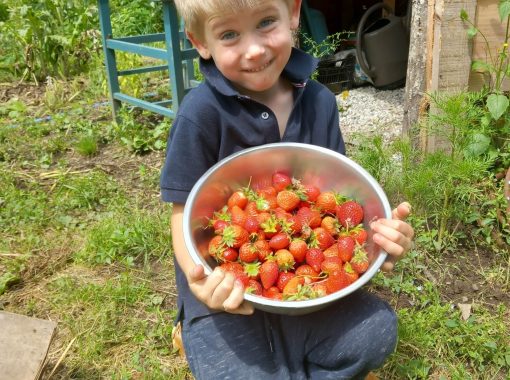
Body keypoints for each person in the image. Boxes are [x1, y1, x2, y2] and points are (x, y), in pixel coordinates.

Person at [160, 0, 415, 378]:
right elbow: (182, 214)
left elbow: (338, 198)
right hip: (227, 295)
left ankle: (287, 360)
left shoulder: (320, 103)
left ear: (292, 13)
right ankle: (206, 335)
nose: (254, 49)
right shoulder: (200, 113)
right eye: (229, 34)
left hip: (308, 294)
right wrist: (200, 284)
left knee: (377, 331)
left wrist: (380, 243)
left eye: (265, 22)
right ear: (200, 42)